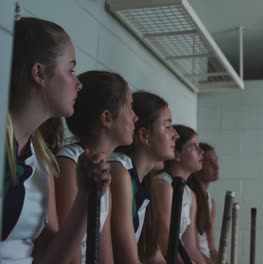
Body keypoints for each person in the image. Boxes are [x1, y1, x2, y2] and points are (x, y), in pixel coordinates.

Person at [1, 17, 110, 263]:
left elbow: (50, 257)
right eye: (71, 70)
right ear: (39, 73)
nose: (79, 84)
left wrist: (86, 198)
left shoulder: (42, 157)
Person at [55, 70, 137, 263]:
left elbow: (103, 253)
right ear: (107, 118)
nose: (135, 117)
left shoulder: (102, 167)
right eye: (130, 108)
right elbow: (69, 252)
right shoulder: (69, 163)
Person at [109, 91, 179, 263]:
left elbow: (153, 255)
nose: (176, 134)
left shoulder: (143, 181)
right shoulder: (119, 171)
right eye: (168, 126)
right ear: (144, 136)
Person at [153, 125, 211, 264]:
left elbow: (191, 248)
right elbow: (166, 243)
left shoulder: (190, 194)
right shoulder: (163, 184)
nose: (201, 151)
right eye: (193, 146)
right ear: (177, 154)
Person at [186, 143, 219, 262]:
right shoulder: (189, 196)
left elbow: (211, 248)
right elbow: (193, 248)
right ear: (200, 163)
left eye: (216, 161)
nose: (216, 167)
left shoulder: (211, 202)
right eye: (210, 163)